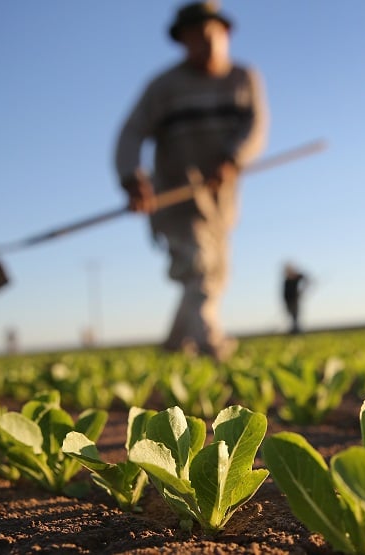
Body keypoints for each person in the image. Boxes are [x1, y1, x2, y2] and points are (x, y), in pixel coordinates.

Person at [114, 2, 268, 361]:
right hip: (175, 197)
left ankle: (173, 345)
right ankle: (211, 344)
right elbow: (130, 133)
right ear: (182, 42)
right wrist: (131, 177)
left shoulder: (244, 79)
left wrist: (233, 158)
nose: (206, 44)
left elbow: (255, 127)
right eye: (195, 38)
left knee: (214, 271)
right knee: (198, 267)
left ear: (226, 34)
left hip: (221, 200)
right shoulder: (163, 87)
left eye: (212, 35)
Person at [282, 263, 309, 334]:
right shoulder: (286, 280)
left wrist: (302, 290)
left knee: (295, 315)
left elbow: (306, 279)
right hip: (288, 301)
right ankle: (294, 329)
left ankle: (296, 330)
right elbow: (285, 293)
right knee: (292, 316)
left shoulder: (296, 277)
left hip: (295, 300)